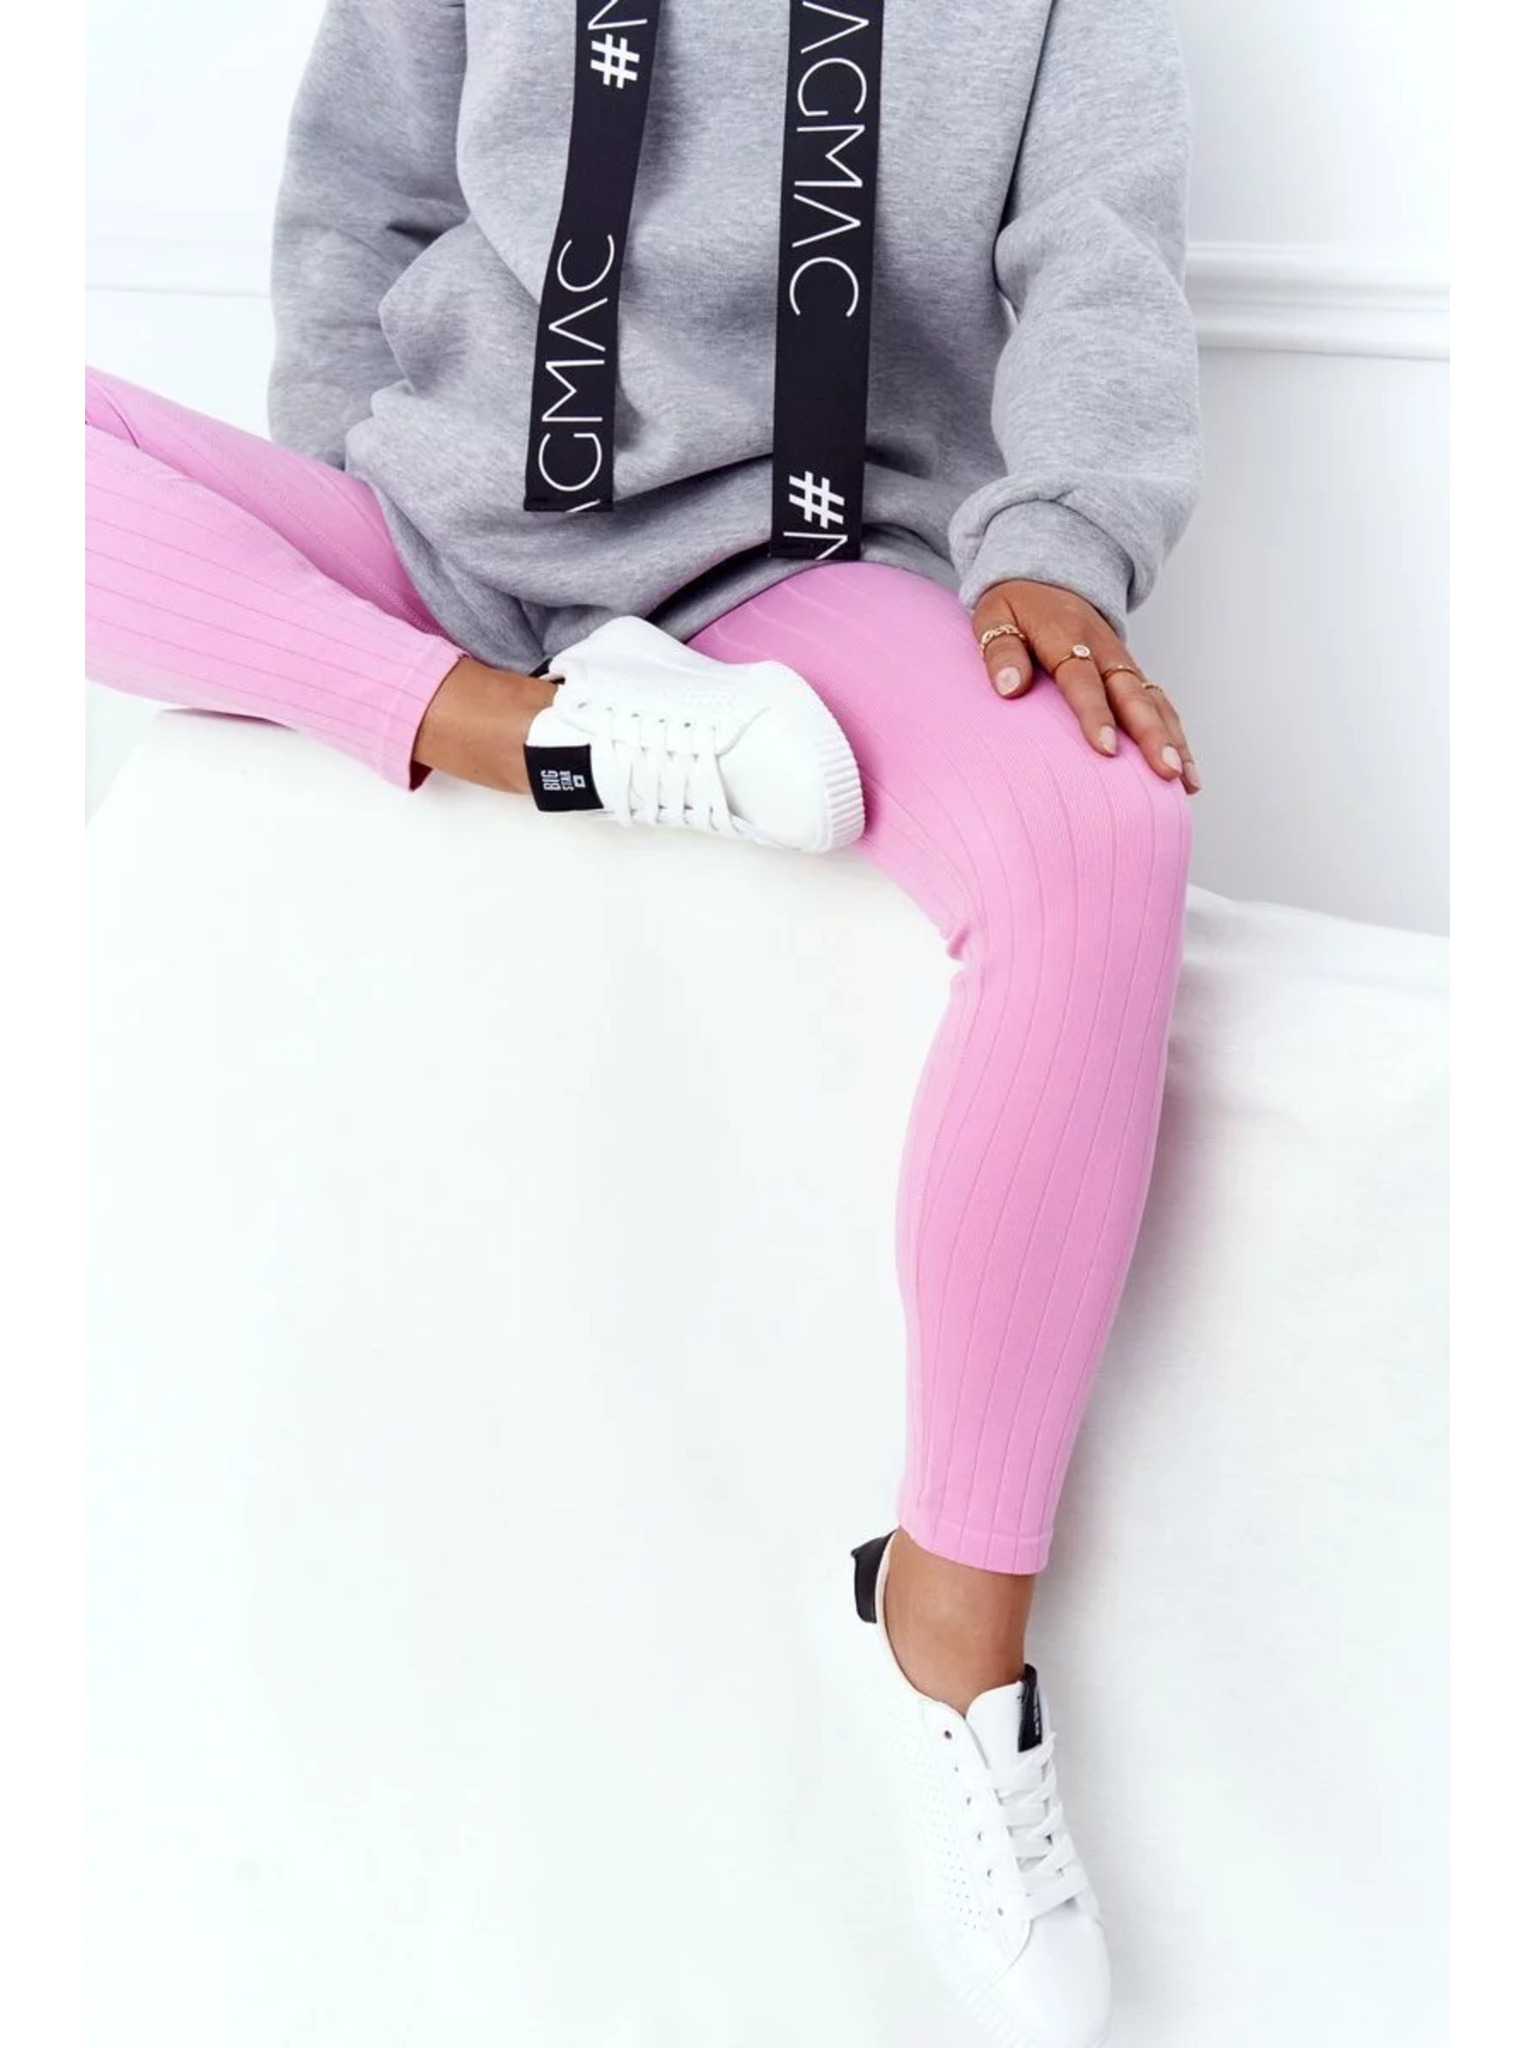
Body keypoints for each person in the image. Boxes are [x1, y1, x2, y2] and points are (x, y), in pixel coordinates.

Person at [84, 3, 1201, 2040]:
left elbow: (1100, 258)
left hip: (800, 571)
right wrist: (342, 492)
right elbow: (360, 198)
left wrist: (1061, 543)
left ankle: (953, 1629)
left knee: (1100, 837)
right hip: (445, 537)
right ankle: (531, 739)